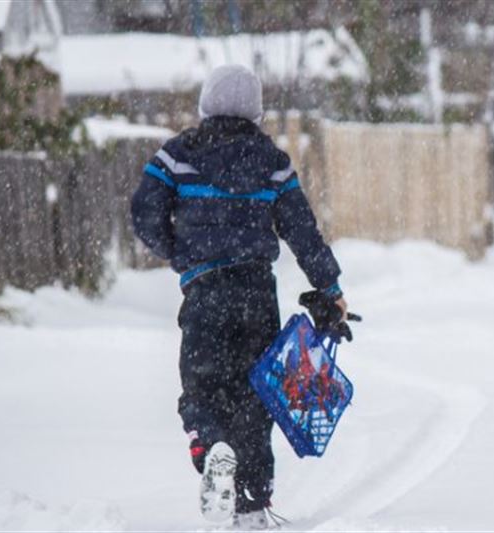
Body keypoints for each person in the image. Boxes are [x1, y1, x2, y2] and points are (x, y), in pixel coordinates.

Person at [131, 64, 353, 529]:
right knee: (256, 397)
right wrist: (328, 289)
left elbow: (144, 211)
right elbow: (302, 231)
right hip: (256, 293)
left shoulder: (177, 155)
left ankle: (211, 445)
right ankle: (251, 504)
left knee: (202, 386)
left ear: (206, 103)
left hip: (205, 292)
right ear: (256, 110)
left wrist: (180, 254)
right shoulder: (271, 161)